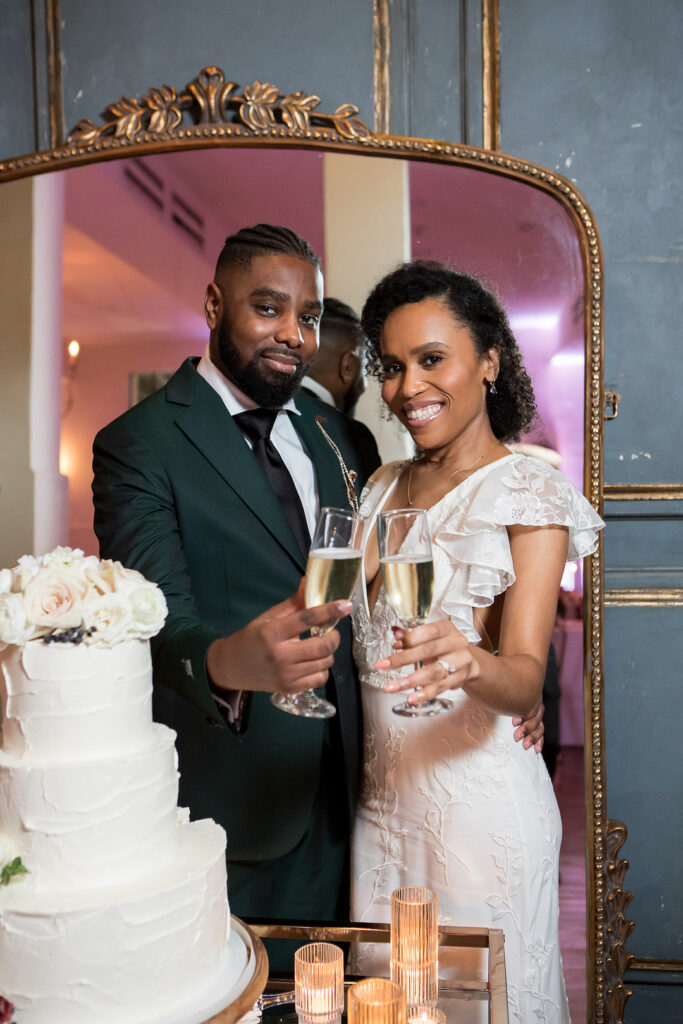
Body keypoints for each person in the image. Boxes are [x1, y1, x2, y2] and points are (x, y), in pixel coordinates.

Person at [92, 225, 382, 967]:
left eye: (309, 316)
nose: (293, 334)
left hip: (356, 790)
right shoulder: (140, 442)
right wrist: (227, 663)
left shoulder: (337, 437)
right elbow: (151, 621)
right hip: (237, 797)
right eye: (267, 309)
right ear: (215, 303)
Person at [349, 261, 604, 1021]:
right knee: (386, 1002)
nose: (406, 388)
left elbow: (523, 680)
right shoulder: (379, 486)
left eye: (432, 359)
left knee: (480, 1007)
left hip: (480, 814)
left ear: (488, 361)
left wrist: (473, 661)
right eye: (391, 368)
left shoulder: (530, 492)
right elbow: (335, 620)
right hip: (380, 809)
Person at [301, 297, 381, 481]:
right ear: (349, 367)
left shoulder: (258, 417)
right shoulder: (355, 439)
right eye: (365, 366)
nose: (364, 385)